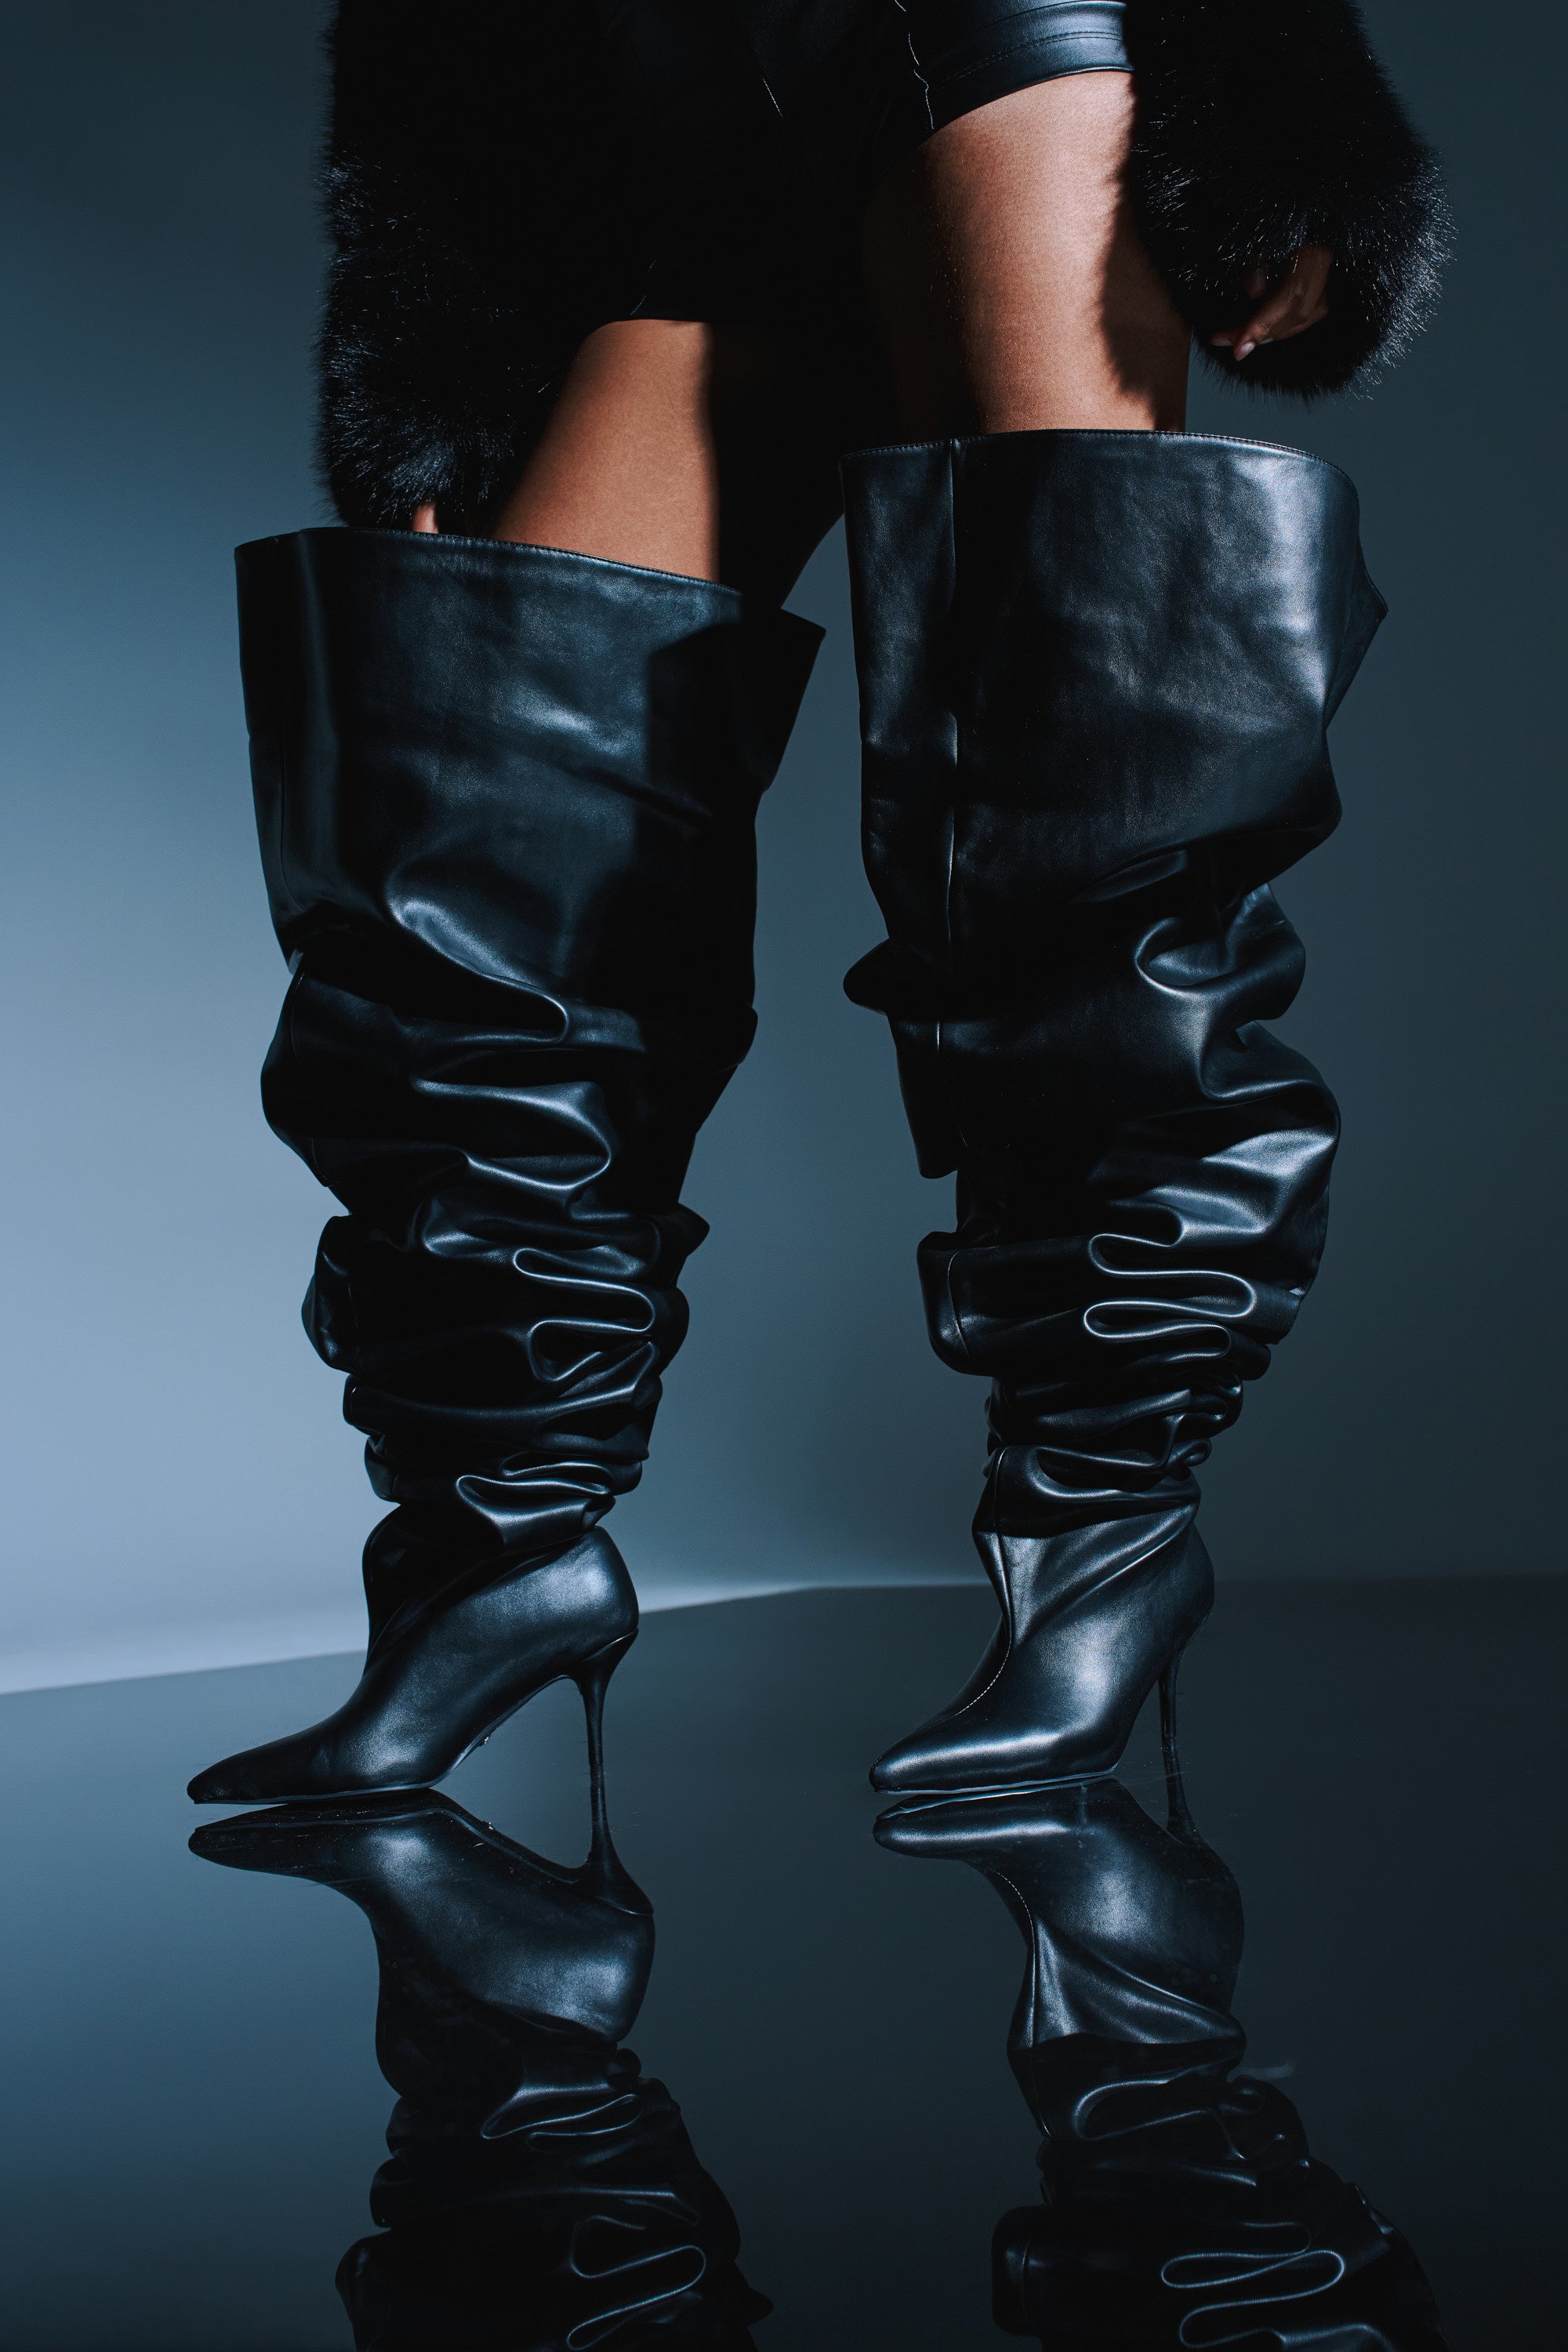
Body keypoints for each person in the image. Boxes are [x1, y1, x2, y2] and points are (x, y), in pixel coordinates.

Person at [190, 1, 1445, 1808]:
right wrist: (428, 303)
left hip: (974, 35)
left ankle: (1099, 1537)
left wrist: (1286, 93)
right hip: (642, 89)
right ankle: (492, 1560)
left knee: (1087, 800)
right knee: (472, 865)